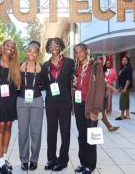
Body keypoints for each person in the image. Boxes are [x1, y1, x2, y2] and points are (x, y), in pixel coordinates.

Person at [72, 43, 106, 174]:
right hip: (79, 104)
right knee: (81, 135)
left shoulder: (95, 66)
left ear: (86, 51)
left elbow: (100, 88)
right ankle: (83, 162)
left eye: (81, 51)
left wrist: (96, 110)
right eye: (76, 52)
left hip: (90, 105)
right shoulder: (77, 67)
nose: (78, 54)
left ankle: (90, 165)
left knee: (91, 136)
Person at [42, 37, 74, 172]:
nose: (53, 48)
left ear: (60, 47)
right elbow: (44, 84)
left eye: (56, 45)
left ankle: (63, 160)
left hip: (65, 101)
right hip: (50, 101)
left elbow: (72, 83)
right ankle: (51, 159)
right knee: (51, 131)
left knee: (65, 131)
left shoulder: (69, 63)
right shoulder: (45, 65)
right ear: (48, 49)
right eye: (50, 46)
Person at [0, 39, 21, 174]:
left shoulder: (15, 64)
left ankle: (4, 158)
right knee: (1, 126)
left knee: (8, 125)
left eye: (12, 47)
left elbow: (17, 84)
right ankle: (0, 161)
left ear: (14, 50)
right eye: (7, 45)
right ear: (2, 46)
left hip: (11, 98)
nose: (10, 48)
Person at [17, 41, 43, 171]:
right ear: (26, 52)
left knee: (36, 131)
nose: (32, 53)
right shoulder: (20, 66)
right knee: (23, 131)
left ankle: (34, 159)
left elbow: (45, 83)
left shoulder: (41, 67)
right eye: (29, 51)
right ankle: (23, 159)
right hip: (22, 100)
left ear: (38, 54)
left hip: (37, 100)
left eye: (35, 51)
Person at [116, 56, 133, 120]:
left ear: (128, 61)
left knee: (122, 100)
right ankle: (127, 115)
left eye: (125, 60)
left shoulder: (129, 68)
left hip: (126, 87)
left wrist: (125, 88)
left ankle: (122, 115)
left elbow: (128, 79)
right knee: (126, 100)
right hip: (123, 87)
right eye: (122, 60)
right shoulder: (124, 68)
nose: (123, 61)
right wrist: (120, 87)